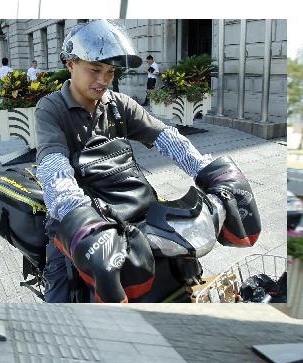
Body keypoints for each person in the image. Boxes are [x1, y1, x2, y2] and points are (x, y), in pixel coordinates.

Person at [34, 19, 259, 303]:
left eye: (110, 72)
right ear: (71, 64)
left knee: (185, 273)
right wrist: (78, 219)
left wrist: (204, 168)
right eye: (94, 70)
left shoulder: (119, 104)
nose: (103, 80)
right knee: (61, 301)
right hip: (80, 221)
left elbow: (168, 139)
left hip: (133, 209)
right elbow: (54, 166)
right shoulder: (51, 108)